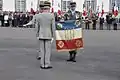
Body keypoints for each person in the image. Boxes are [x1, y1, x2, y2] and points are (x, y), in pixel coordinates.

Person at [24, 1, 55, 69]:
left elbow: (37, 26)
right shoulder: (51, 15)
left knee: (42, 50)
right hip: (48, 34)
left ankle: (42, 64)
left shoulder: (38, 15)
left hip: (41, 34)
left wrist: (37, 34)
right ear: (48, 8)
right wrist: (53, 36)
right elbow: (53, 27)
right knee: (48, 50)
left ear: (43, 8)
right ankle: (46, 64)